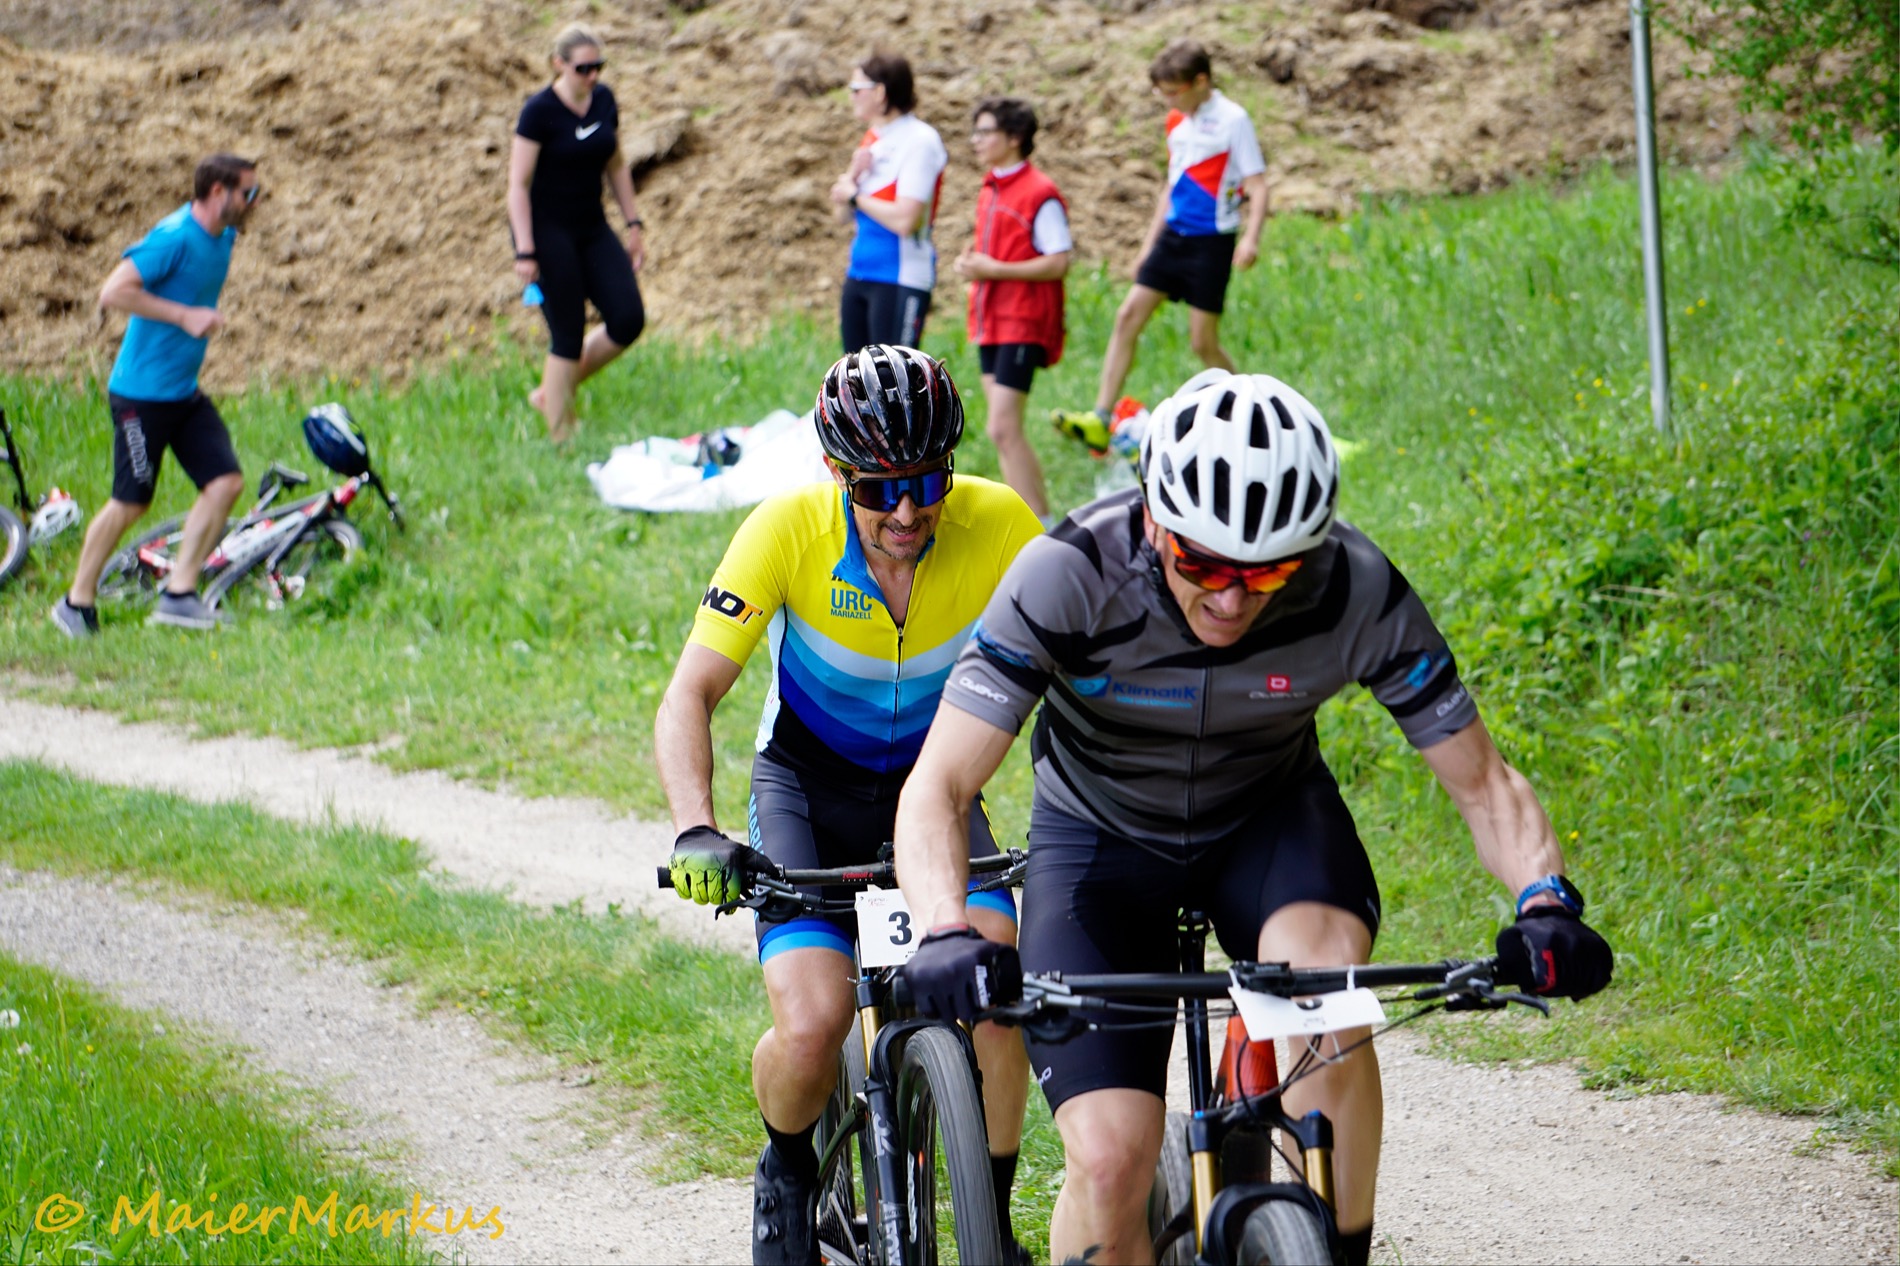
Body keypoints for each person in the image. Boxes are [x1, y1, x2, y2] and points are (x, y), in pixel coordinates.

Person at [893, 370, 1615, 1265]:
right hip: (1099, 843)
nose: (1231, 600)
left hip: (1268, 825)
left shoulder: (1352, 587)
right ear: (1153, 522)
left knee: (1328, 1012)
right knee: (1110, 1162)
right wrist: (944, 928)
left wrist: (1546, 902)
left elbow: (1485, 785)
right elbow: (939, 787)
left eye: (1267, 572)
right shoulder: (1069, 574)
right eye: (1201, 565)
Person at [654, 345, 1042, 1265]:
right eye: (878, 489)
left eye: (926, 482)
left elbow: (1080, 672)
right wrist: (695, 828)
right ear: (837, 473)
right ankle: (788, 1170)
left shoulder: (1001, 524)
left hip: (934, 792)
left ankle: (989, 1219)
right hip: (806, 790)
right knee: (814, 1023)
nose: (906, 512)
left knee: (997, 992)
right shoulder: (785, 530)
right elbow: (689, 695)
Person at [50, 153, 259, 638]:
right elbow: (114, 292)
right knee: (131, 502)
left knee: (225, 483)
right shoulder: (173, 237)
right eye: (247, 193)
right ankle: (75, 602)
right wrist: (184, 316)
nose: (254, 202)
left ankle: (179, 596)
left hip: (182, 393)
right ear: (217, 193)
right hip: (140, 398)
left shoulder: (224, 235)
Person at [1051, 39, 1268, 453]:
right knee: (1127, 315)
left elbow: (1257, 185)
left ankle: (1256, 412)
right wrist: (1147, 247)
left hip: (1211, 242)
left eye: (1174, 91)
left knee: (1202, 342)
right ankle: (1101, 417)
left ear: (1200, 82)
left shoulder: (1233, 120)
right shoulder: (1176, 121)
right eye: (1163, 92)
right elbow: (1172, 185)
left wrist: (1251, 237)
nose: (1169, 100)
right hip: (1172, 236)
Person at [508, 23, 647, 444]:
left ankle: (550, 393)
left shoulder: (603, 100)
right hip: (546, 232)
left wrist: (634, 223)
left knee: (628, 318)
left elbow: (616, 165)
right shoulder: (539, 112)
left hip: (591, 225)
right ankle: (562, 439)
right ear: (559, 64)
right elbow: (518, 186)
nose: (592, 75)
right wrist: (525, 251)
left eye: (598, 66)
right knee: (567, 333)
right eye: (583, 68)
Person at [955, 97, 1072, 521]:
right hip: (991, 321)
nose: (976, 140)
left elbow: (1059, 261)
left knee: (1002, 427)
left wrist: (995, 269)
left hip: (1022, 321)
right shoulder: (991, 187)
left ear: (1014, 137)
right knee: (1004, 433)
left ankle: (1042, 527)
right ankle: (1032, 521)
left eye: (985, 132)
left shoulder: (1039, 192)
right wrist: (973, 265)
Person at [828, 52, 947, 353]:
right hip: (860, 272)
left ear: (880, 92)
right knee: (854, 378)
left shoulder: (920, 140)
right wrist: (852, 177)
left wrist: (855, 196)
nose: (851, 96)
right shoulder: (873, 137)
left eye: (856, 89)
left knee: (894, 378)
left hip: (900, 277)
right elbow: (841, 215)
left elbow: (906, 220)